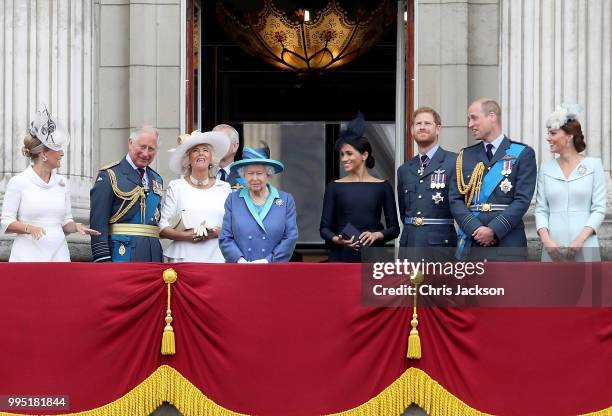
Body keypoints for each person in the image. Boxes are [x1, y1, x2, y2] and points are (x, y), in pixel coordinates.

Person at [1, 107, 99, 262]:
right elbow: (6, 222)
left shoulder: (62, 183)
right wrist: (29, 228)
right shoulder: (18, 182)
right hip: (27, 258)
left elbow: (65, 222)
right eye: (57, 149)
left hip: (59, 257)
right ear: (44, 154)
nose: (62, 154)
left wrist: (76, 226)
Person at [450, 98, 537, 259]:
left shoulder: (522, 153)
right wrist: (474, 228)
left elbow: (522, 200)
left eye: (474, 118)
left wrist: (494, 230)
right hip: (472, 242)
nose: (470, 124)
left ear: (491, 116)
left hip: (508, 242)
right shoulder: (465, 156)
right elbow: (455, 199)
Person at [320, 112, 400, 262]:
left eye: (349, 153)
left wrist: (377, 235)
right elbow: (324, 228)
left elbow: (395, 228)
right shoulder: (334, 187)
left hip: (373, 255)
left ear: (364, 155)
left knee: (371, 286)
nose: (344, 159)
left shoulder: (382, 186)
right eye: (342, 154)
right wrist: (337, 239)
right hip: (342, 254)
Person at [535, 104, 606, 261]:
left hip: (585, 245)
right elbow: (541, 209)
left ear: (569, 137)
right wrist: (547, 241)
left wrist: (580, 240)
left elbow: (599, 208)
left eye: (553, 133)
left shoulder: (594, 165)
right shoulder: (546, 168)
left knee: (588, 286)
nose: (548, 138)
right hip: (552, 248)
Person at [90, 126, 164, 262]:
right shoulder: (110, 175)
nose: (146, 153)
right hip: (122, 255)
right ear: (130, 143)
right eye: (142, 147)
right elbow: (98, 223)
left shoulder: (156, 179)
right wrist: (103, 260)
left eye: (151, 149)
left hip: (152, 256)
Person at [159, 131, 231, 262]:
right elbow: (162, 226)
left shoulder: (224, 188)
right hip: (184, 258)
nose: (201, 153)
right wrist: (184, 235)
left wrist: (215, 233)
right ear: (188, 160)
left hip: (217, 257)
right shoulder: (177, 186)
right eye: (195, 150)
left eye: (205, 150)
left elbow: (233, 226)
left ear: (211, 159)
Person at [219, 147, 298, 263]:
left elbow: (290, 237)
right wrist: (239, 260)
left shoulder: (285, 200)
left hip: (273, 269)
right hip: (240, 269)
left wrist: (267, 261)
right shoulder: (233, 200)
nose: (254, 178)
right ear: (243, 176)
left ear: (268, 174)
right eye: (250, 173)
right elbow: (225, 238)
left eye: (259, 173)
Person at [397, 107, 457, 249]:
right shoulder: (404, 169)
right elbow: (404, 213)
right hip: (410, 245)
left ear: (438, 129)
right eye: (418, 124)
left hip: (441, 246)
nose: (422, 127)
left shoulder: (454, 162)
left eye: (427, 123)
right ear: (412, 130)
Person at [213, 124, 242, 188]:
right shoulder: (202, 174)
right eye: (214, 141)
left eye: (221, 141)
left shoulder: (244, 176)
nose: (216, 145)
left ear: (235, 146)